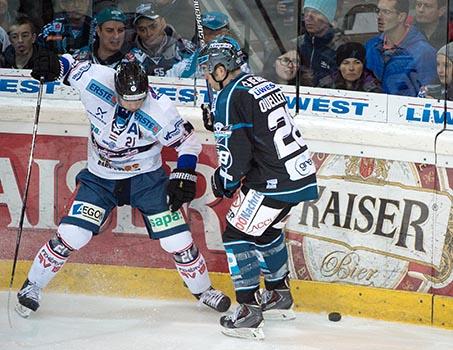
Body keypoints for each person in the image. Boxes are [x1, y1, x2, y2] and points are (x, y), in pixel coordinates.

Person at [15, 49, 231, 318]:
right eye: (127, 99)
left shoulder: (160, 108)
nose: (133, 105)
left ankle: (203, 291)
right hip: (100, 179)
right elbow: (67, 65)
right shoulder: (94, 79)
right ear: (115, 89)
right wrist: (51, 63)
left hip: (147, 180)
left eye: (138, 99)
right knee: (72, 235)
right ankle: (32, 286)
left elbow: (188, 142)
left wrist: (184, 173)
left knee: (178, 240)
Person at [198, 36, 318, 340]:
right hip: (299, 175)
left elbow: (235, 156)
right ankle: (279, 296)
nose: (205, 77)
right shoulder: (261, 84)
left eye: (207, 71)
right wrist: (224, 122)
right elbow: (260, 130)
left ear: (221, 69)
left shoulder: (228, 97)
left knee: (237, 233)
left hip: (272, 182)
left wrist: (223, 182)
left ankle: (249, 312)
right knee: (264, 230)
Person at [365, 0, 437, 96]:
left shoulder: (424, 52)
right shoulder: (370, 46)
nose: (379, 17)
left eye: (386, 12)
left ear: (401, 17)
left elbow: (429, 94)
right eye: (378, 11)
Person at [131, 2, 195, 76]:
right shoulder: (131, 55)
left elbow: (199, 75)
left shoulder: (184, 48)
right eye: (142, 29)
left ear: (163, 22)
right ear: (136, 31)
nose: (149, 33)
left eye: (153, 26)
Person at [165, 10, 232, 79]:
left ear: (226, 34)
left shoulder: (239, 63)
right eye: (203, 34)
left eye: (212, 34)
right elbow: (165, 82)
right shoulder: (184, 66)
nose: (206, 39)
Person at [297, 0, 346, 87]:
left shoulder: (341, 48)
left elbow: (344, 81)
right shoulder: (297, 44)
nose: (308, 17)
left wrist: (315, 78)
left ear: (328, 18)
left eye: (316, 12)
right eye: (306, 11)